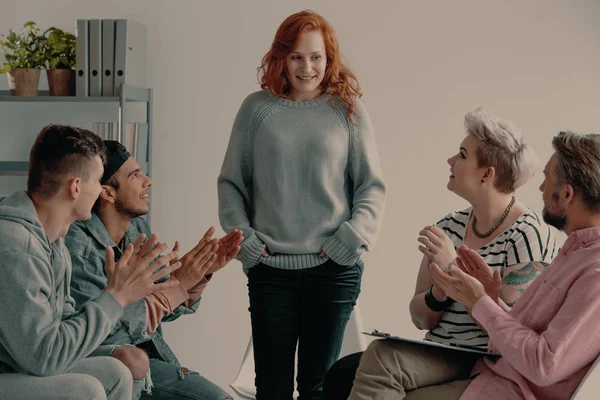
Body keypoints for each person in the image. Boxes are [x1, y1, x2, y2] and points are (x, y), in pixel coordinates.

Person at [324, 108, 559, 400]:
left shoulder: (526, 235)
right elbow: (420, 319)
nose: (451, 161)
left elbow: (512, 337)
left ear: (487, 173)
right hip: (440, 349)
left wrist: (455, 275)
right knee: (341, 375)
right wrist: (439, 291)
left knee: (384, 357)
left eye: (462, 155)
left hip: (483, 358)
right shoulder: (449, 226)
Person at [217, 9, 386, 400]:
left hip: (333, 270)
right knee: (271, 387)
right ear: (282, 58)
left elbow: (371, 187)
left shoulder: (348, 110)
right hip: (270, 269)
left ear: (329, 59)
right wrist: (245, 241)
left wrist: (352, 237)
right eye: (296, 56)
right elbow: (231, 183)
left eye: (315, 57)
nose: (306, 67)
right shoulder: (256, 110)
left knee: (318, 387)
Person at [0, 125, 181, 400]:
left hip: (20, 363)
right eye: (97, 182)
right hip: (11, 370)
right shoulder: (18, 248)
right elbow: (44, 357)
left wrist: (117, 345)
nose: (100, 191)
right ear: (75, 187)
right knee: (87, 390)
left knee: (116, 371)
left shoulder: (53, 240)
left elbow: (63, 325)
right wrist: (115, 297)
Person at [418, 130, 600, 399]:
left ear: (567, 194)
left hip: (504, 390)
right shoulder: (574, 253)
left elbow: (543, 364)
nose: (540, 188)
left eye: (547, 179)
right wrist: (490, 300)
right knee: (356, 369)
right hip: (488, 377)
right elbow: (528, 334)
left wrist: (479, 300)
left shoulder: (593, 272)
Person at [65, 140, 242, 400]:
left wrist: (196, 276)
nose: (148, 181)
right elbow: (103, 334)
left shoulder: (137, 231)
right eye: (135, 175)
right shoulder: (77, 246)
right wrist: (178, 284)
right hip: (113, 369)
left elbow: (160, 312)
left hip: (151, 360)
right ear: (107, 193)